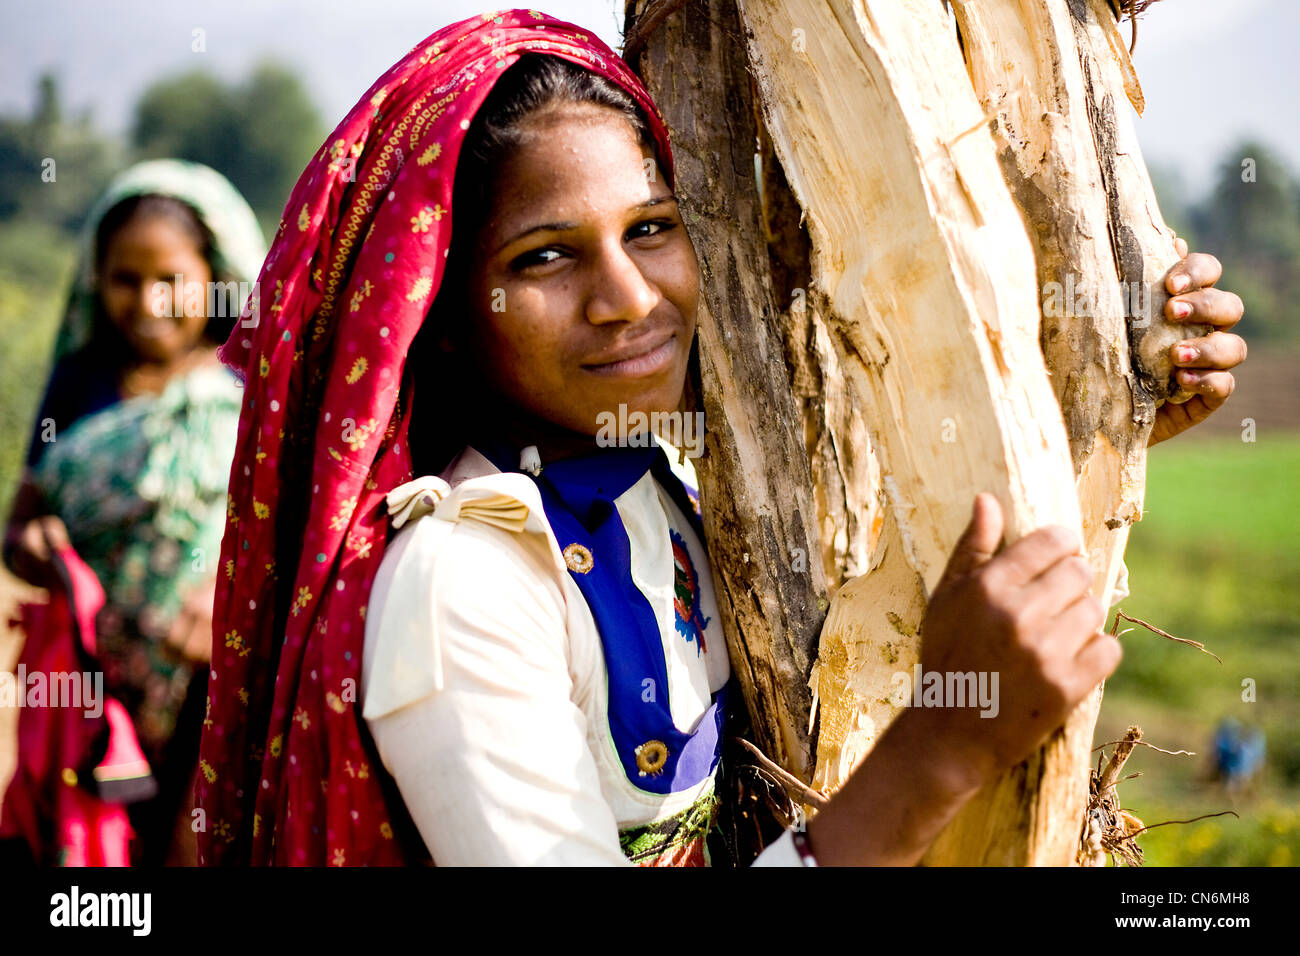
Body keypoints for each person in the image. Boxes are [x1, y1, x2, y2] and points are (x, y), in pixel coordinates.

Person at [199, 10, 1247, 866]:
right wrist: (940, 747)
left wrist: (1109, 422)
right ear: (443, 312)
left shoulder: (682, 498)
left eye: (651, 228)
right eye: (546, 256)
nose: (626, 297)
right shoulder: (464, 582)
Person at [3, 159, 266, 865]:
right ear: (98, 281)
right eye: (125, 279)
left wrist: (224, 595)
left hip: (216, 686)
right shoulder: (81, 383)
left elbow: (287, 524)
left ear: (215, 276)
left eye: (170, 279)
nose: (148, 302)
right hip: (90, 689)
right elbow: (19, 520)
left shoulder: (251, 381)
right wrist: (36, 544)